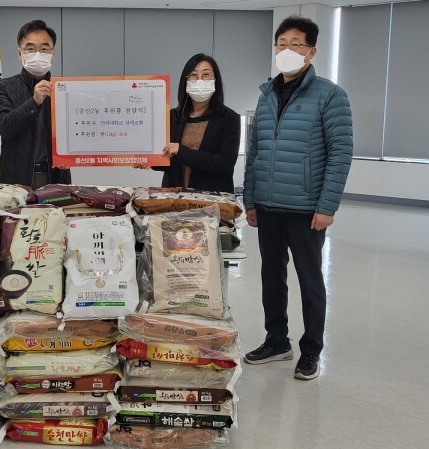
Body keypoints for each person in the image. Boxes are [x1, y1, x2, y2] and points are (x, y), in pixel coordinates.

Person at [242, 16, 353, 380]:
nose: (286, 50)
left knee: (309, 280)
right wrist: (250, 199)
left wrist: (326, 206)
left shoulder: (330, 95)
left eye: (295, 44)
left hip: (306, 208)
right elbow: (255, 152)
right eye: (281, 43)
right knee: (271, 277)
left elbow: (340, 153)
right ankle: (277, 341)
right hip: (268, 206)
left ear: (311, 51)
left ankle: (311, 350)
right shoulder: (266, 95)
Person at [0, 20, 71, 189]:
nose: (37, 54)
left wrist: (72, 157)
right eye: (30, 48)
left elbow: (77, 131)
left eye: (44, 49)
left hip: (56, 177)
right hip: (16, 179)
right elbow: (4, 127)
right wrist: (33, 102)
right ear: (20, 54)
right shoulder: (3, 87)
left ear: (53, 53)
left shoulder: (64, 89)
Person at [149, 53, 241, 193]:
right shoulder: (172, 116)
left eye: (206, 75)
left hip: (211, 200)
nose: (199, 80)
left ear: (215, 80)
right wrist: (150, 161)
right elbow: (168, 161)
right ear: (185, 81)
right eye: (193, 75)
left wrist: (181, 151)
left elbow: (225, 164)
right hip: (174, 198)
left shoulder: (229, 118)